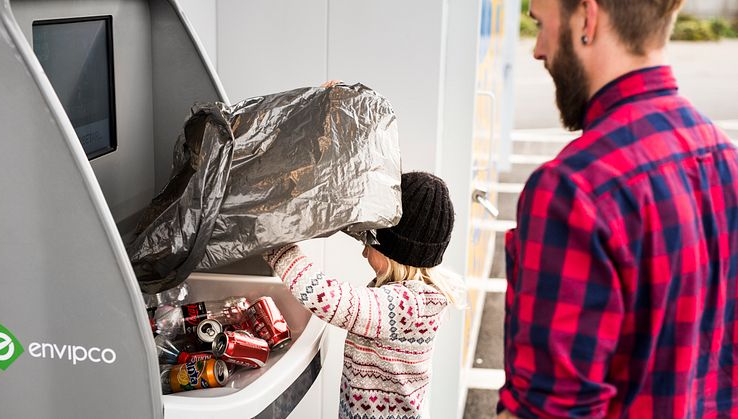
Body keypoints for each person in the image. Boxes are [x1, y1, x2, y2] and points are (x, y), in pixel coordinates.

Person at [500, 0, 738, 417]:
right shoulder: (726, 161)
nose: (538, 49)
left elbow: (548, 410)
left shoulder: (573, 190)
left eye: (541, 24)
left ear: (586, 19)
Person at [263, 171, 460, 419]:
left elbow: (331, 299)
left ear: (395, 252)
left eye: (370, 241)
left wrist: (273, 244)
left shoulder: (406, 306)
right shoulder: (411, 296)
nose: (364, 252)